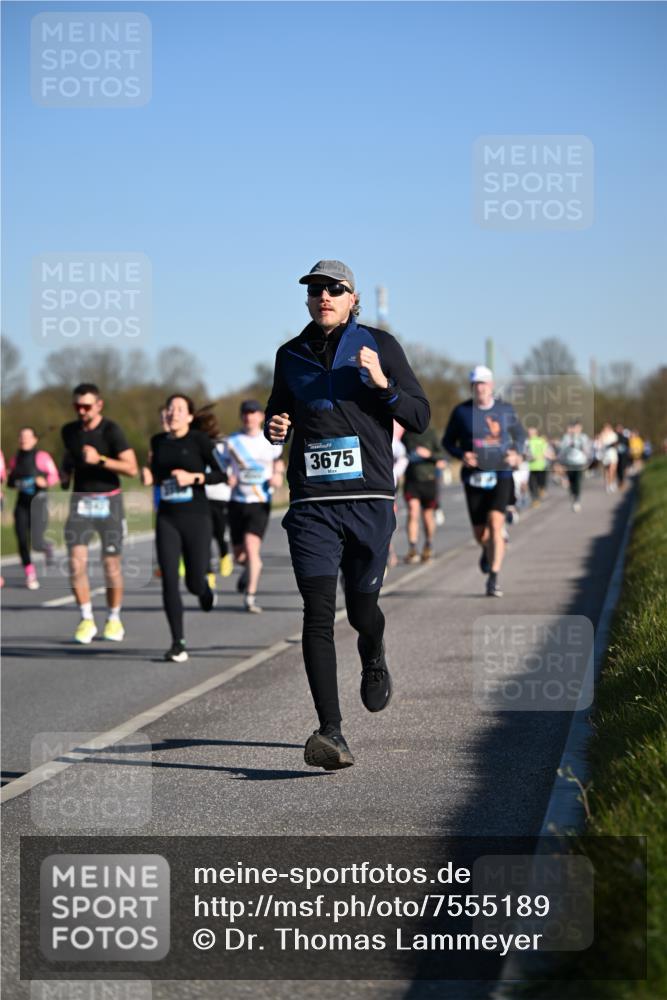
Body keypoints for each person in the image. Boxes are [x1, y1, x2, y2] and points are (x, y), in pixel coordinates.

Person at [265, 260, 429, 770]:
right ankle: (330, 732)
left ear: (353, 297)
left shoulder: (381, 345)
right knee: (317, 615)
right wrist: (276, 427)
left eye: (335, 289)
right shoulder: (289, 355)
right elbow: (279, 413)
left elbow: (420, 418)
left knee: (360, 611)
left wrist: (383, 384)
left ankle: (373, 650)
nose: (324, 296)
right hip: (312, 504)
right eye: (315, 290)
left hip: (369, 500)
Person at [148, 395, 229, 661]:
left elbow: (221, 474)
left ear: (190, 416)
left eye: (180, 409)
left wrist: (193, 477)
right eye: (170, 408)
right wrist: (150, 476)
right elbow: (158, 476)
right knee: (169, 580)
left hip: (197, 516)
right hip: (167, 518)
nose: (173, 413)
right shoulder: (157, 442)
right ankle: (178, 643)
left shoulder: (199, 441)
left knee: (193, 583)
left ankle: (204, 590)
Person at [61, 384, 138, 643]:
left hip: (109, 503)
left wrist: (101, 460)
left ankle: (114, 618)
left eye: (87, 406)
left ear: (99, 405)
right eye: (77, 406)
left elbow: (131, 468)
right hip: (80, 502)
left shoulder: (111, 430)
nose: (81, 411)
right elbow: (68, 460)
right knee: (75, 563)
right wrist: (65, 473)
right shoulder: (69, 431)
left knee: (111, 565)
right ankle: (86, 618)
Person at [442, 365, 525, 597]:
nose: (480, 388)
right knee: (481, 533)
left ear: (491, 385)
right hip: (474, 477)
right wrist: (462, 455)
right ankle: (488, 549)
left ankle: (493, 579)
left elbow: (520, 435)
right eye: (476, 384)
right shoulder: (461, 412)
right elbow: (448, 442)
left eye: (484, 384)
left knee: (495, 524)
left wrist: (516, 453)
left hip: (502, 473)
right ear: (471, 387)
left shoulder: (505, 409)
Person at [224, 400, 284, 613]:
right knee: (240, 556)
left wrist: (278, 474)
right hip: (237, 502)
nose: (249, 417)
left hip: (259, 502)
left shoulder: (269, 440)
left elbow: (279, 460)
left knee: (252, 548)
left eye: (253, 413)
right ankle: (249, 569)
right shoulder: (231, 442)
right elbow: (222, 466)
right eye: (245, 413)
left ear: (260, 416)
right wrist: (227, 477)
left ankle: (250, 596)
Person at [7, 427, 59, 589]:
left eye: (28, 437)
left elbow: (54, 476)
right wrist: (17, 482)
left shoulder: (42, 457)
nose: (24, 440)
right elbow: (10, 481)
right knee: (22, 539)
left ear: (35, 439)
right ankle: (30, 574)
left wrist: (45, 482)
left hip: (39, 503)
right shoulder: (15, 459)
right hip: (21, 504)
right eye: (21, 437)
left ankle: (46, 546)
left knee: (37, 541)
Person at [402, 425, 445, 563]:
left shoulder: (431, 433)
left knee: (427, 516)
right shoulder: (405, 435)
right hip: (411, 481)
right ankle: (413, 548)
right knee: (413, 512)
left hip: (429, 480)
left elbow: (441, 457)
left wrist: (429, 455)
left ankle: (428, 544)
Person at [205, 437, 234, 590]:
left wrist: (234, 476)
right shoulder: (197, 444)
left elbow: (236, 464)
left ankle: (224, 554)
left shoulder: (226, 445)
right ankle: (208, 573)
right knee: (205, 538)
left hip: (221, 497)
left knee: (220, 533)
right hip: (203, 498)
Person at [558, 420, 591, 511]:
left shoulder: (583, 437)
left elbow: (588, 450)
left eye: (578, 428)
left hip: (580, 463)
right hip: (569, 463)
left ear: (580, 428)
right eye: (574, 428)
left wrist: (587, 460)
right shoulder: (567, 437)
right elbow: (561, 449)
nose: (576, 429)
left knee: (578, 481)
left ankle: (577, 500)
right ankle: (573, 494)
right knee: (571, 481)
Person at [526, 425, 550, 506]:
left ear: (536, 432)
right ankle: (535, 499)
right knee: (532, 484)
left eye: (531, 432)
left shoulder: (541, 441)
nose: (530, 433)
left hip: (540, 465)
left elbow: (546, 451)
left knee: (540, 483)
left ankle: (541, 490)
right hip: (531, 466)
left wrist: (545, 456)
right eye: (529, 432)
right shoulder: (527, 441)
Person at [598, 423, 619, 493]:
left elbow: (616, 444)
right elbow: (599, 445)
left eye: (607, 428)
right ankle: (607, 484)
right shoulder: (602, 435)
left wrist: (611, 445)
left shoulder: (613, 435)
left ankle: (611, 483)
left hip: (612, 454)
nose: (606, 429)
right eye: (605, 428)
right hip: (605, 455)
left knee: (612, 470)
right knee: (606, 470)